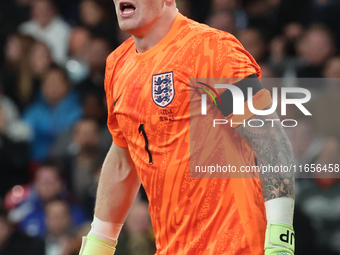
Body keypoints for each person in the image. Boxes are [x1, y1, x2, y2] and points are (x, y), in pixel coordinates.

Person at [79, 1, 295, 255]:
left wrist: (281, 238)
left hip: (237, 246)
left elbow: (271, 139)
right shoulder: (117, 65)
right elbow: (123, 159)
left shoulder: (210, 49)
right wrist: (98, 245)